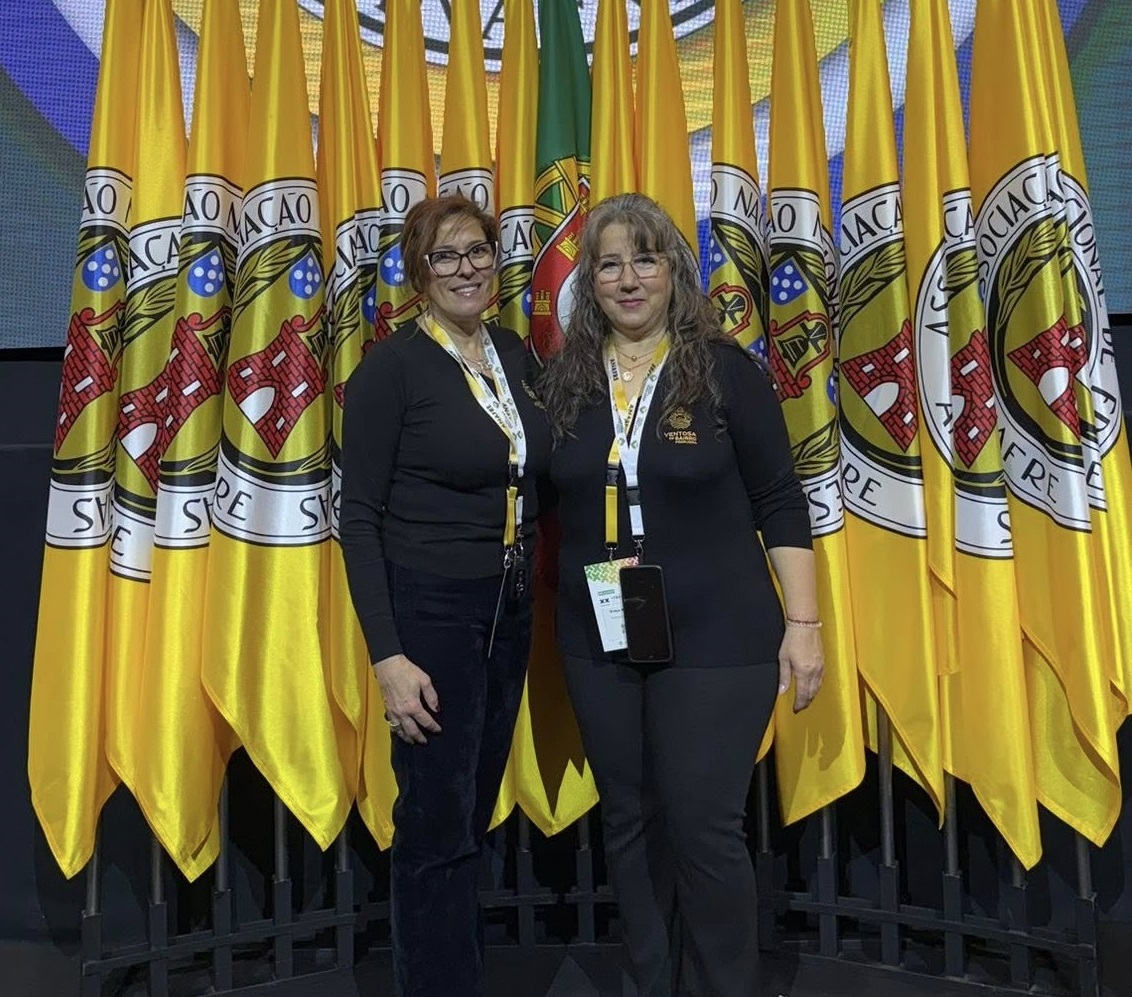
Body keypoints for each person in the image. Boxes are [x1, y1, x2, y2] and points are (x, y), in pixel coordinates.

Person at [539, 193, 824, 997]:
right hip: (600, 632)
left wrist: (804, 622)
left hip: (719, 635)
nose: (629, 279)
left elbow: (780, 498)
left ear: (674, 270)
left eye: (646, 258)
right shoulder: (565, 381)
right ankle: (649, 981)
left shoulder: (725, 371)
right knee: (628, 824)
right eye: (609, 264)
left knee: (703, 827)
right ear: (590, 282)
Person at [339, 194, 550, 997]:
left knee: (470, 812)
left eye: (479, 251)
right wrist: (389, 658)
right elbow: (359, 520)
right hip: (429, 613)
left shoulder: (514, 353)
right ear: (419, 273)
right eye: (446, 255)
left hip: (509, 608)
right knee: (434, 823)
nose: (467, 269)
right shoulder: (390, 370)